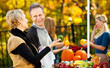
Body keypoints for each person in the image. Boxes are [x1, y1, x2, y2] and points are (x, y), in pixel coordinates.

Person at [27, 3, 68, 68]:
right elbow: (34, 58)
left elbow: (49, 51)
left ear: (44, 14)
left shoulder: (44, 30)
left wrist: (56, 45)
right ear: (31, 17)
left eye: (40, 15)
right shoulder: (31, 33)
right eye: (35, 16)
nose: (38, 18)